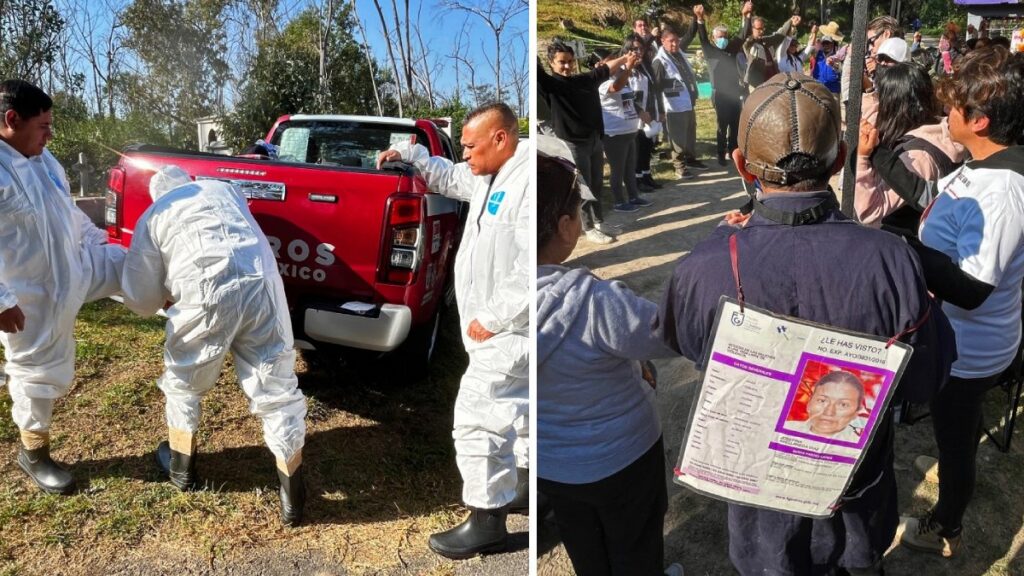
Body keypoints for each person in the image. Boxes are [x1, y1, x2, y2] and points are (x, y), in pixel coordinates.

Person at [659, 73, 955, 575]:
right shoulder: (892, 260)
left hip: (759, 512)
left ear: (740, 166)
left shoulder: (702, 267)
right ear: (842, 158)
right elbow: (927, 378)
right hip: (855, 504)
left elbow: (688, 348)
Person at [377, 103, 529, 559]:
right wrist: (410, 153)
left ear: (500, 138)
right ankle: (520, 489)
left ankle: (487, 521)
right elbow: (446, 176)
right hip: (497, 327)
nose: (464, 154)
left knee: (478, 417)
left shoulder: (527, 181)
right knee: (515, 412)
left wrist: (494, 317)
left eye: (469, 145)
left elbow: (532, 265)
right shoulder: (487, 174)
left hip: (510, 327)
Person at [120, 166, 308, 525]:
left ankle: (181, 469)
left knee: (183, 383)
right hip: (261, 284)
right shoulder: (223, 189)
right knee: (277, 388)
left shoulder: (154, 214)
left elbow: (141, 298)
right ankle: (292, 495)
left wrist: (163, 296)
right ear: (188, 183)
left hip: (205, 293)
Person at [897, 46, 1024, 559]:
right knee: (956, 425)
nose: (945, 115)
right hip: (957, 339)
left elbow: (972, 289)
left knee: (956, 440)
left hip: (970, 350)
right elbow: (937, 204)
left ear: (981, 120)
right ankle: (953, 461)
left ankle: (945, 525)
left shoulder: (1004, 192)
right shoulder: (984, 164)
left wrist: (906, 251)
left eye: (953, 107)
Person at [537, 147, 682, 576]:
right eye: (579, 211)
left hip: (555, 465)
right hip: (623, 458)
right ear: (565, 226)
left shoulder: (492, 301)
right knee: (636, 543)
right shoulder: (593, 301)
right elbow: (666, 336)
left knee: (585, 546)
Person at [0, 79, 125, 495]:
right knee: (34, 371)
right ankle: (34, 454)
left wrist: (100, 245)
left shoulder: (43, 159)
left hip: (74, 271)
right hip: (28, 296)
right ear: (11, 120)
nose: (50, 135)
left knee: (134, 264)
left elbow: (68, 216)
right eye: (43, 126)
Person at [540, 40, 633, 244]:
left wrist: (626, 58)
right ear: (551, 63)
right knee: (583, 188)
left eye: (570, 61)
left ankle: (599, 221)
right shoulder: (550, 86)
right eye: (562, 62)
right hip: (573, 144)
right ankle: (587, 227)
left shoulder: (583, 80)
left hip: (594, 140)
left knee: (597, 184)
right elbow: (536, 71)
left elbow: (605, 69)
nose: (567, 66)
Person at [854, 62, 965, 231]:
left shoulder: (916, 157)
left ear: (892, 104)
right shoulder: (940, 129)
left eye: (881, 96)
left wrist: (862, 159)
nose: (878, 101)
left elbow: (870, 212)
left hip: (908, 245)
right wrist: (869, 92)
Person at [694, 4, 747, 165]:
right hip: (719, 94)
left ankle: (733, 151)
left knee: (735, 124)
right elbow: (702, 37)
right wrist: (700, 19)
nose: (723, 39)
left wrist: (747, 16)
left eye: (725, 36)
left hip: (733, 93)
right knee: (722, 125)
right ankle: (720, 153)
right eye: (720, 37)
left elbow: (743, 34)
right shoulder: (710, 51)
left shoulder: (731, 49)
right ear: (714, 38)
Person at [600, 46, 651, 213]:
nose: (616, 63)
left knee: (630, 167)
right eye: (611, 60)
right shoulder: (603, 82)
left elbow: (628, 99)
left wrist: (640, 111)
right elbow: (617, 87)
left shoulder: (623, 77)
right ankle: (619, 202)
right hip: (614, 134)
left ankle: (633, 196)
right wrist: (627, 67)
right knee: (618, 169)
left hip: (630, 131)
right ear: (602, 64)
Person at [652, 23, 704, 178]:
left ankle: (691, 158)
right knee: (678, 138)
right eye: (671, 41)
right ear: (663, 41)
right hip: (673, 106)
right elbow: (657, 89)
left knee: (690, 134)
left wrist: (696, 19)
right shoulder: (659, 61)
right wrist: (661, 111)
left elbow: (689, 34)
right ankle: (679, 166)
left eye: (676, 40)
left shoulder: (679, 53)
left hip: (687, 102)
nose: (674, 44)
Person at [788, 371, 864, 442]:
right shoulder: (787, 428)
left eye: (843, 405)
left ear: (856, 413)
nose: (829, 412)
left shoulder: (859, 444)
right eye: (822, 401)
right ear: (809, 403)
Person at [740, 2, 800, 88]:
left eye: (763, 28)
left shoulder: (766, 40)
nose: (762, 31)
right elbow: (744, 33)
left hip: (772, 82)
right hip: (755, 85)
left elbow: (781, 33)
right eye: (759, 29)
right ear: (751, 29)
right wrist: (745, 15)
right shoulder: (748, 44)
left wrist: (791, 21)